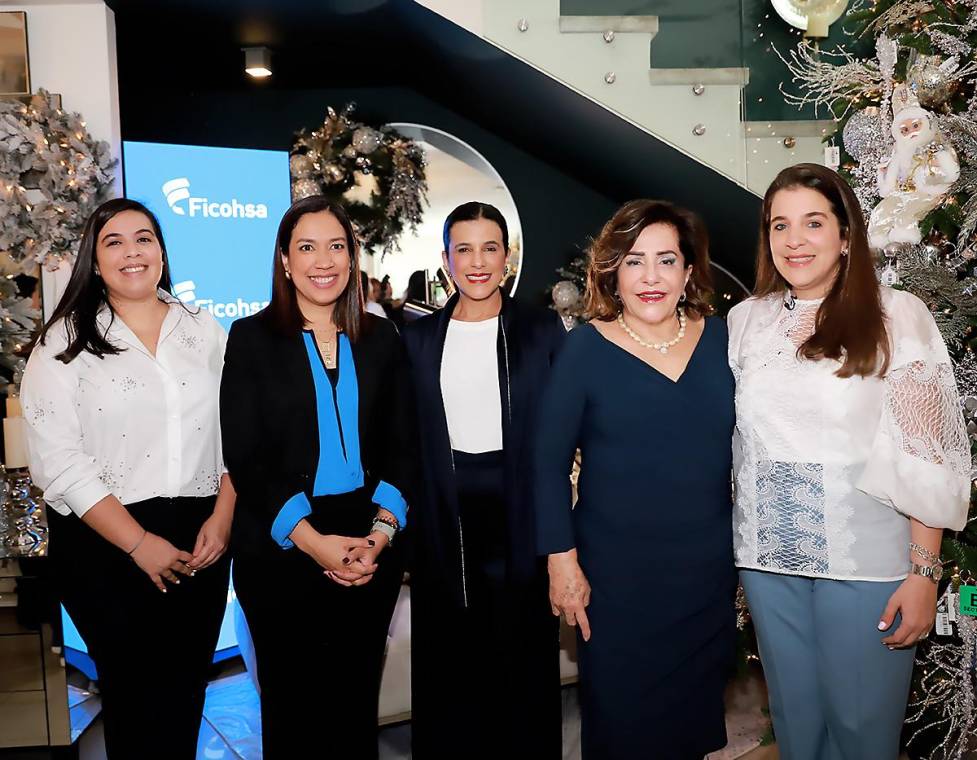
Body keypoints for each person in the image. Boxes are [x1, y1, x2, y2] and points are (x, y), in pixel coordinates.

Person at [729, 163, 970, 760]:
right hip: (768, 561)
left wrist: (924, 572)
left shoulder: (897, 315)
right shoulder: (744, 321)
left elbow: (927, 450)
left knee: (861, 732)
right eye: (779, 225)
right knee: (796, 726)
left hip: (864, 563)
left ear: (845, 235)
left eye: (813, 223)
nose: (794, 240)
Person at [21, 198, 234, 759]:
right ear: (94, 257)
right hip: (104, 544)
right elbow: (58, 462)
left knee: (186, 694)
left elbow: (241, 431)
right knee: (138, 700)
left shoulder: (205, 331)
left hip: (201, 536)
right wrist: (139, 543)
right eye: (114, 241)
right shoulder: (62, 343)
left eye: (144, 238)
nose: (132, 251)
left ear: (162, 251)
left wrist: (224, 516)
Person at [535, 200, 736, 759]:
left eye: (666, 260)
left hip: (704, 577)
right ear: (612, 274)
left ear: (689, 272)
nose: (651, 277)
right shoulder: (585, 349)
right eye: (634, 261)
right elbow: (546, 464)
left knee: (690, 732)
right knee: (624, 731)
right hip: (616, 584)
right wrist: (561, 561)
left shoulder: (724, 343)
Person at [220, 196, 414, 759]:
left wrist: (379, 536)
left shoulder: (382, 340)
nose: (322, 260)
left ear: (352, 259)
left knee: (354, 710)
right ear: (284, 260)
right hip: (283, 548)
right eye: (306, 247)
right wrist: (313, 544)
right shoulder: (250, 339)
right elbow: (247, 456)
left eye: (336, 246)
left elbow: (405, 446)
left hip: (369, 542)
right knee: (294, 714)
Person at [404, 201, 565, 759]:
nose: (477, 262)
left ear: (506, 256)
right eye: (463, 249)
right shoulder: (418, 339)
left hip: (523, 511)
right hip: (444, 519)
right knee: (452, 664)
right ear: (445, 259)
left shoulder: (543, 331)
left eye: (489, 248)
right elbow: (407, 441)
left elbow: (569, 432)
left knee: (523, 659)